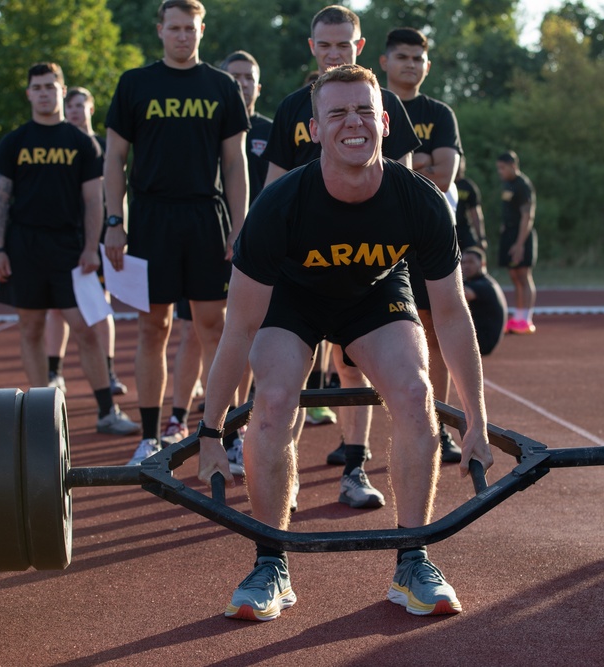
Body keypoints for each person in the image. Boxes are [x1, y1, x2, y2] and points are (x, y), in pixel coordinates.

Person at [197, 64, 493, 621]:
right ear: (314, 129)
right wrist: (211, 431)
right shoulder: (279, 206)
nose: (351, 123)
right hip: (294, 297)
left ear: (384, 122)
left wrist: (477, 419)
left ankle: (413, 559)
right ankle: (270, 562)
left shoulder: (421, 201)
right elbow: (237, 328)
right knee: (276, 400)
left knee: (413, 392)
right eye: (337, 113)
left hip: (374, 292)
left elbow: (452, 316)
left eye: (363, 111)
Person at [263, 5, 422, 498]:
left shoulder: (384, 103)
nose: (335, 54)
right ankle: (281, 479)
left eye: (344, 45)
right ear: (313, 48)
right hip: (302, 267)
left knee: (356, 367)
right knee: (287, 370)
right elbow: (271, 188)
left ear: (359, 45)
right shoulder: (293, 107)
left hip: (366, 267)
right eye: (325, 46)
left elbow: (404, 185)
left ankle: (354, 470)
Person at [103, 0, 250, 465]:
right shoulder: (135, 84)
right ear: (160, 31)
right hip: (149, 219)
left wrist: (240, 224)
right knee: (153, 326)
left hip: (205, 218)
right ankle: (150, 437)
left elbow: (234, 162)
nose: (183, 35)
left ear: (201, 30)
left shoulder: (221, 86)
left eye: (190, 28)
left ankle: (227, 433)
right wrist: (114, 221)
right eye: (175, 28)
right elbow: (113, 159)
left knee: (215, 328)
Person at [0, 62, 140, 437]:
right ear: (29, 93)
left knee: (86, 329)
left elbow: (94, 202)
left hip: (70, 249)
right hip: (24, 246)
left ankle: (107, 410)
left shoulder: (81, 144)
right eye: (37, 87)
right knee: (31, 326)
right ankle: (40, 412)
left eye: (50, 87)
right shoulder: (14, 142)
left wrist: (92, 247)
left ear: (61, 90)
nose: (43, 93)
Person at [160, 49, 270, 455]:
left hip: (260, 250)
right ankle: (177, 414)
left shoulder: (271, 131)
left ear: (259, 86)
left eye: (248, 77)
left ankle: (235, 421)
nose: (240, 83)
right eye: (234, 77)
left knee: (246, 333)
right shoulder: (207, 126)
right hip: (214, 241)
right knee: (193, 330)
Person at [379, 27, 464, 464]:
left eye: (418, 58)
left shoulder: (439, 113)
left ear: (426, 66)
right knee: (367, 340)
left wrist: (405, 168)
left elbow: (445, 177)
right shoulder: (370, 104)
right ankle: (359, 441)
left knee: (435, 334)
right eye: (403, 57)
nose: (411, 64)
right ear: (385, 62)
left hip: (429, 235)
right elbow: (370, 175)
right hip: (381, 239)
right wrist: (421, 161)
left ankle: (442, 425)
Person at [44, 86, 128, 397]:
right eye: (71, 105)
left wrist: (117, 230)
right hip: (67, 238)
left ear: (91, 109)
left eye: (81, 105)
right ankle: (54, 371)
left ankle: (107, 371)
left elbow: (118, 194)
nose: (75, 110)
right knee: (56, 308)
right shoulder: (59, 144)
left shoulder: (105, 148)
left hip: (102, 237)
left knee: (99, 305)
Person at [496, 150, 537, 334]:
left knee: (523, 275)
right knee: (513, 275)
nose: (500, 171)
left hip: (522, 235)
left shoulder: (523, 185)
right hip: (509, 233)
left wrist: (520, 244)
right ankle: (517, 316)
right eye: (499, 168)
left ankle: (525, 319)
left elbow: (527, 216)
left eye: (503, 168)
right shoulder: (507, 184)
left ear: (513, 166)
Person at [461, 246, 507, 356]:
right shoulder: (477, 281)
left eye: (471, 262)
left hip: (483, 342)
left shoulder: (484, 285)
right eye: (463, 262)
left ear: (483, 264)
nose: (466, 266)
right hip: (478, 338)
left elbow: (462, 294)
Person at [454, 155, 486, 251]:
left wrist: (481, 237)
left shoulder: (468, 186)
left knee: (472, 254)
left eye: (461, 162)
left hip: (464, 230)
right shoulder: (442, 183)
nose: (459, 166)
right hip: (446, 230)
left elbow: (476, 214)